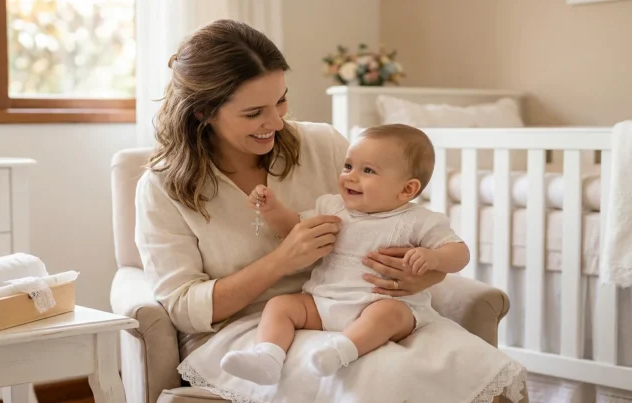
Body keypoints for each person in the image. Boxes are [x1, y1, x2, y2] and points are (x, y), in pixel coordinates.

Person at [134, 18, 526, 403]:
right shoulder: (163, 187)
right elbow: (183, 308)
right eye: (254, 113)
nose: (276, 122)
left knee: (484, 371)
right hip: (253, 332)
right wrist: (281, 261)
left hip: (360, 308)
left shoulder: (322, 144)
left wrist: (423, 275)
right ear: (203, 112)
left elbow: (399, 217)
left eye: (281, 100)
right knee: (383, 373)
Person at [219, 124, 471, 385]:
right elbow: (295, 229)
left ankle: (340, 352)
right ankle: (267, 357)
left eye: (367, 170)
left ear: (407, 190)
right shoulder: (332, 207)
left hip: (379, 303)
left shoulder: (418, 220)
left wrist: (434, 258)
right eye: (348, 166)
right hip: (323, 302)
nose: (350, 177)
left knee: (389, 314)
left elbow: (459, 252)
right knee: (280, 305)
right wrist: (271, 209)